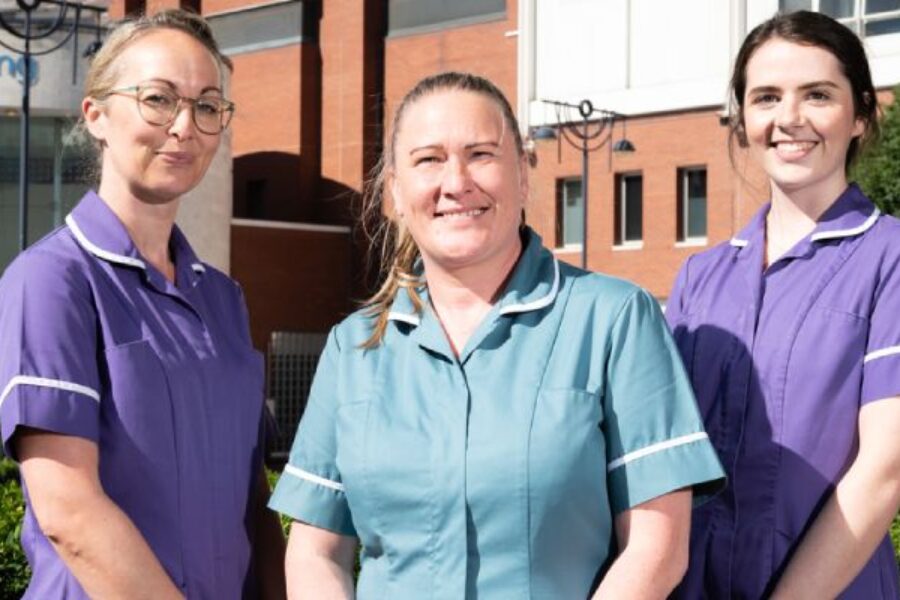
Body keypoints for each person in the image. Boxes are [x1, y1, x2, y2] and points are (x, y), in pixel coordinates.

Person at [269, 71, 724, 598]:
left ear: (525, 174)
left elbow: (657, 547)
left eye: (481, 154)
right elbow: (314, 552)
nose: (456, 181)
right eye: (429, 159)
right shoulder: (353, 347)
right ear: (395, 190)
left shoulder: (615, 319)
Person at [0, 10, 285, 599]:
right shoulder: (52, 282)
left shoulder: (224, 300)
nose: (184, 126)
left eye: (207, 106)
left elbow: (251, 503)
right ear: (97, 115)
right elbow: (69, 514)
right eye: (158, 99)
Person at [667, 10, 900, 599]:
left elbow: (885, 470)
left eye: (818, 94)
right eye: (766, 97)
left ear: (861, 115)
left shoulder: (891, 259)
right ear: (742, 119)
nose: (789, 118)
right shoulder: (701, 276)